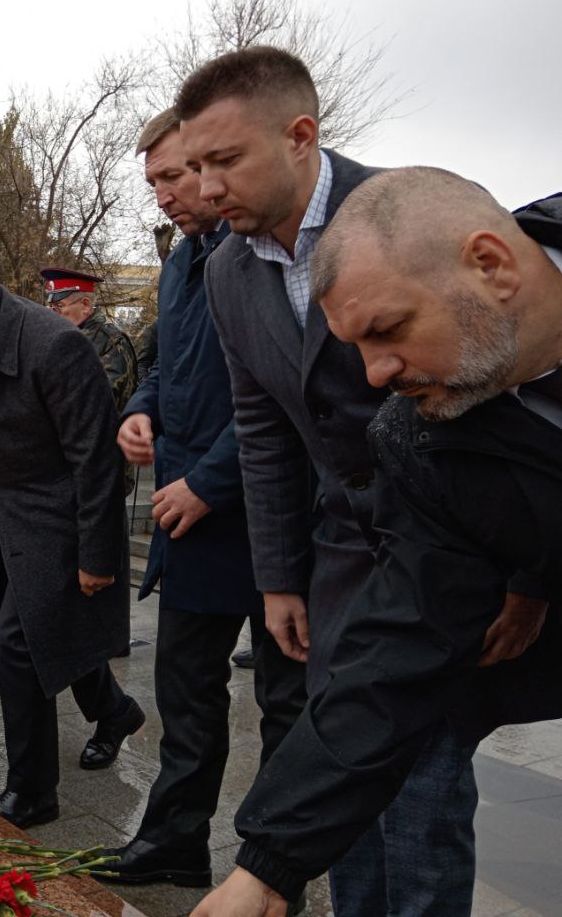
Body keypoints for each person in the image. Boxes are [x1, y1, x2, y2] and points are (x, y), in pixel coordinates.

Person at [192, 173, 562, 915]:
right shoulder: (425, 437)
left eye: (388, 330)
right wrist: (267, 867)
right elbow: (399, 647)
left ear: (491, 265)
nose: (375, 375)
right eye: (355, 346)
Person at [177, 46, 489, 914]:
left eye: (224, 161)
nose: (204, 189)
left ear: (301, 136)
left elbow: (496, 403)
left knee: (421, 791)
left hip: (449, 551)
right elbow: (263, 427)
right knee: (342, 785)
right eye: (195, 165)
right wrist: (279, 574)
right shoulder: (227, 270)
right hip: (339, 558)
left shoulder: (408, 215)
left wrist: (528, 578)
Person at [101, 108, 305, 890]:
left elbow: (275, 391)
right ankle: (176, 842)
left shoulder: (262, 252)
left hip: (267, 516)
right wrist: (139, 410)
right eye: (152, 180)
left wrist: (211, 483)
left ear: (213, 166)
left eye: (172, 176)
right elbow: (167, 363)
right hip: (190, 517)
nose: (162, 195)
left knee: (285, 699)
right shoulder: (184, 262)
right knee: (185, 689)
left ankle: (274, 864)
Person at [0, 230, 143, 828]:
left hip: (59, 518)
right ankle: (115, 711)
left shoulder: (54, 345)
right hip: (2, 516)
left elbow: (97, 459)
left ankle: (33, 791)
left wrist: (99, 554)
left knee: (16, 647)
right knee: (43, 637)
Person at [41, 268, 138, 411]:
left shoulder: (112, 342)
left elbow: (104, 402)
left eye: (58, 307)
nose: (53, 315)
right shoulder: (60, 337)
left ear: (85, 305)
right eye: (51, 308)